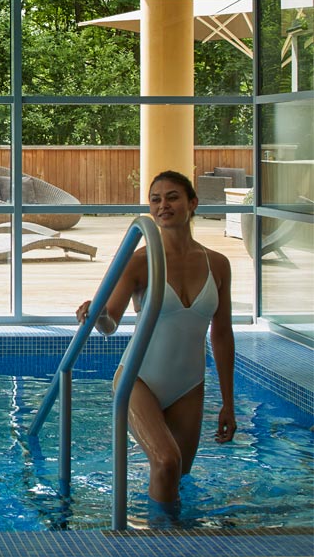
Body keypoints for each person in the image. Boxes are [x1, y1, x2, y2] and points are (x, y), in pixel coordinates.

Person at [76, 170, 236, 519]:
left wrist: (228, 403)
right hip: (139, 379)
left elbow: (222, 335)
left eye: (173, 197)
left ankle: (171, 539)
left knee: (177, 476)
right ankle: (157, 547)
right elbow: (110, 322)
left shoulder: (218, 265)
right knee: (166, 461)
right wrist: (96, 313)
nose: (164, 205)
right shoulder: (140, 261)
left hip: (189, 386)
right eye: (156, 199)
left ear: (192, 204)